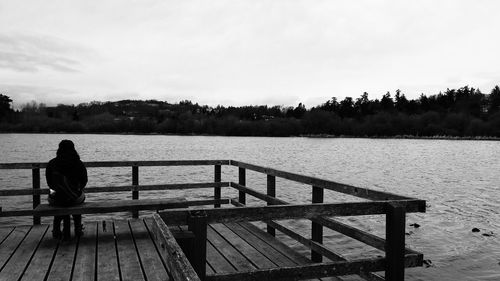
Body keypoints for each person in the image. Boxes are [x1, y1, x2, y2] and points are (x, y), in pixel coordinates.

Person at [45, 140, 87, 240]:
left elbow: (49, 183)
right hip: (74, 198)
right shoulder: (78, 163)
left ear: (59, 149)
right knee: (78, 198)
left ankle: (56, 230)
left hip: (56, 199)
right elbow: (84, 181)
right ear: (73, 149)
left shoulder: (52, 163)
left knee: (59, 199)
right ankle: (77, 228)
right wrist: (76, 190)